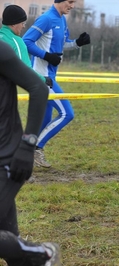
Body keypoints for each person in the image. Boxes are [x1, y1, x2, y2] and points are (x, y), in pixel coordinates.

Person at [0, 40, 61, 265]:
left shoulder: (1, 51)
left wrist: (28, 145)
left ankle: (42, 253)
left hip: (8, 158)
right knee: (10, 247)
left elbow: (38, 88)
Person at [23, 0, 91, 168]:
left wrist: (77, 43)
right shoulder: (46, 19)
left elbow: (62, 45)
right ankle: (36, 149)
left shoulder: (62, 19)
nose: (72, 6)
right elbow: (26, 41)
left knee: (45, 120)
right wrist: (46, 56)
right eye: (70, 2)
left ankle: (23, 152)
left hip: (51, 76)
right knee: (67, 114)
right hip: (42, 78)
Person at [0, 5, 53, 90]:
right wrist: (44, 80)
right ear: (14, 23)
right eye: (22, 23)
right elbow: (24, 70)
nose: (23, 26)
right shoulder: (16, 41)